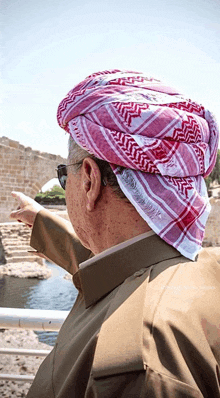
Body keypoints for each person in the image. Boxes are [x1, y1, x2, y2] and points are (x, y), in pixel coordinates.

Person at [10, 70, 220, 397]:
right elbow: (113, 270)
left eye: (66, 176)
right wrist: (41, 220)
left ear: (90, 180)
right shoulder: (205, 267)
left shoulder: (136, 368)